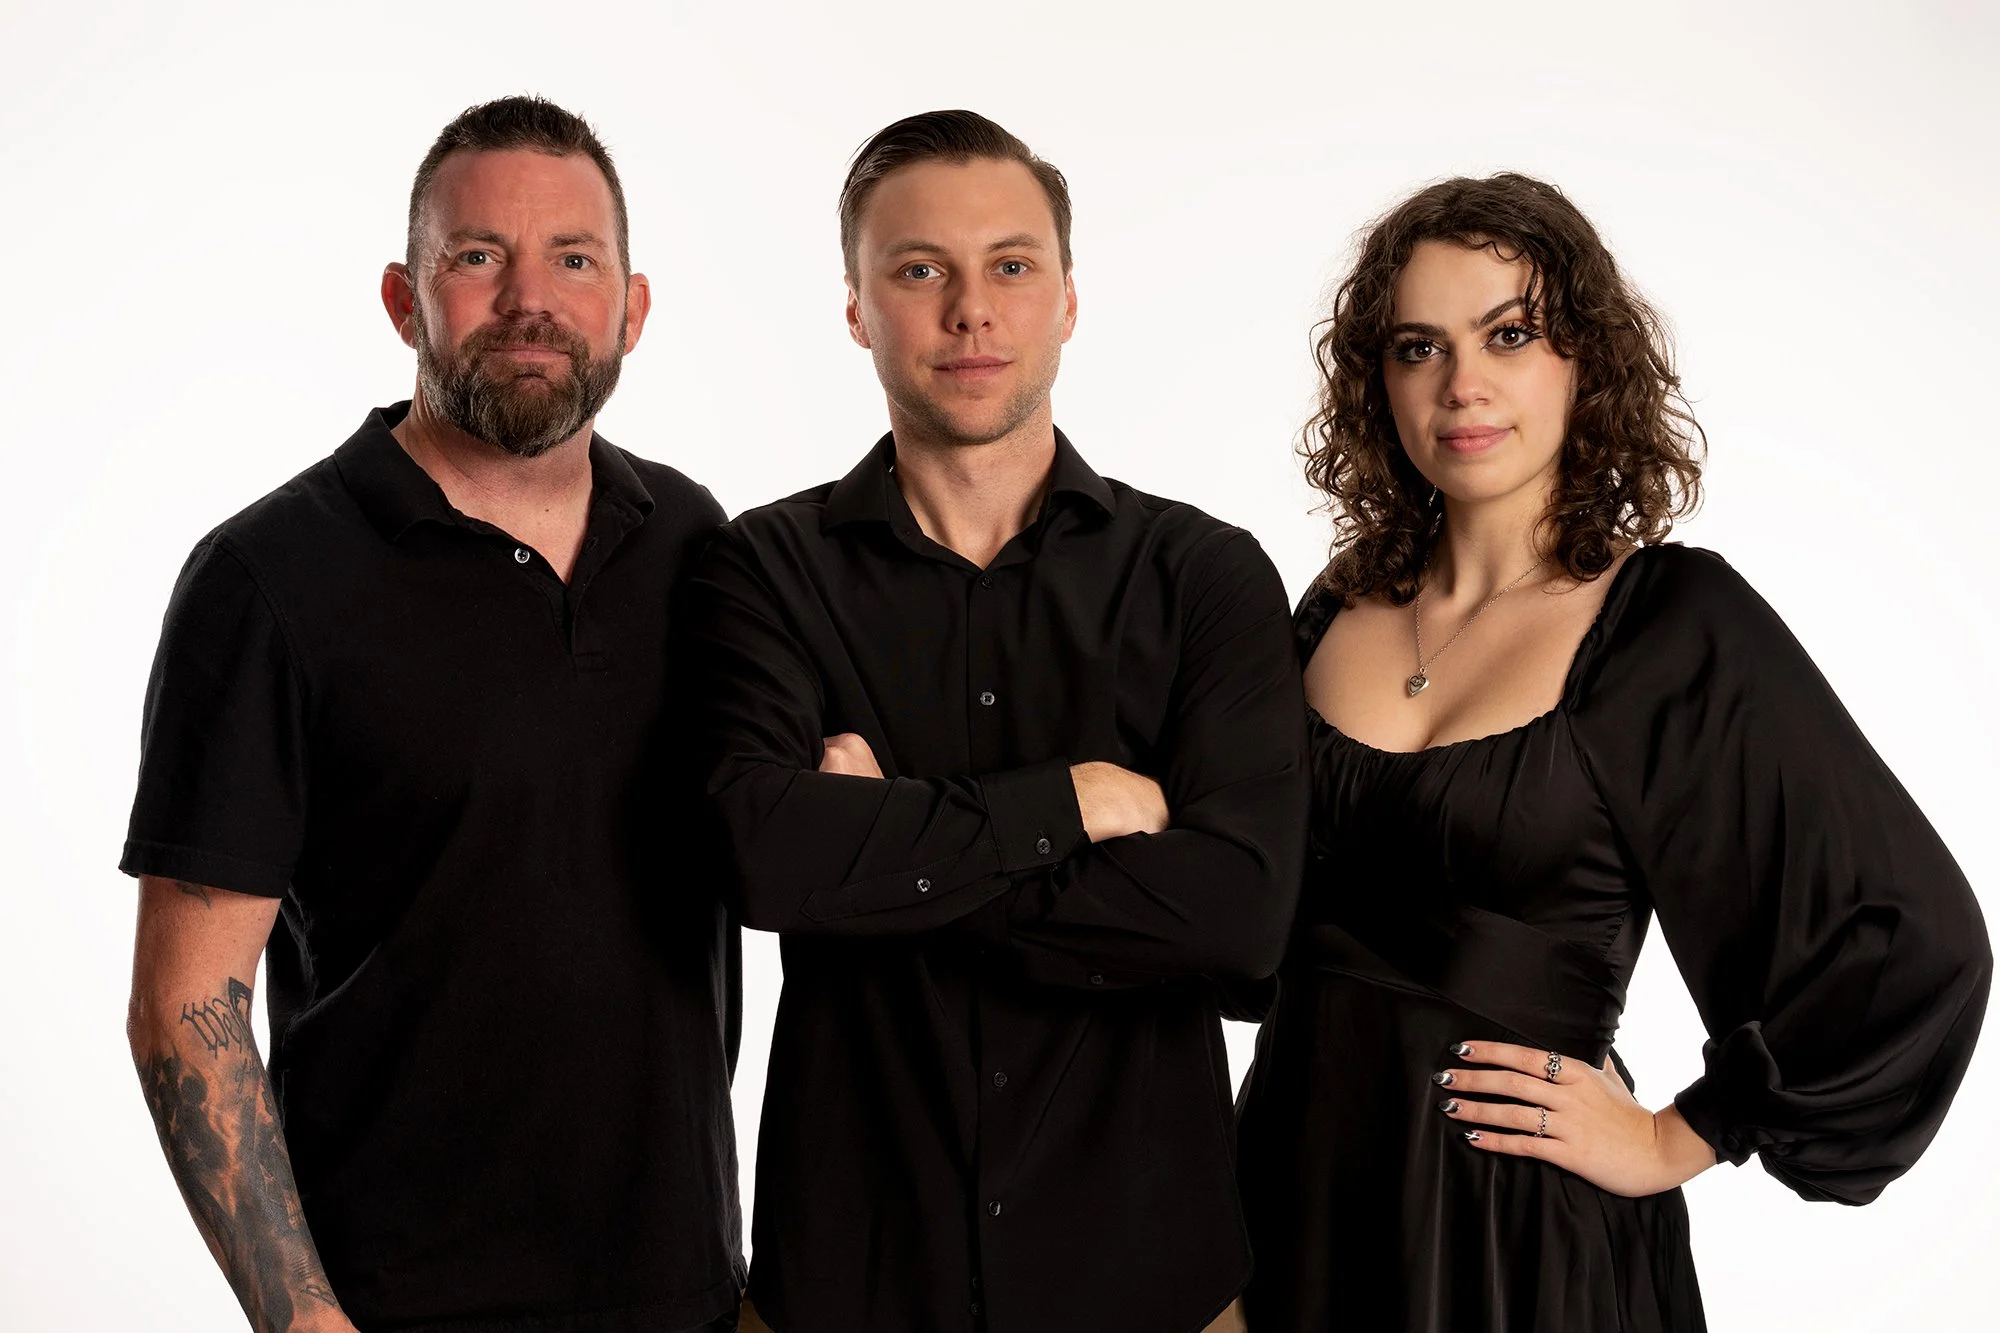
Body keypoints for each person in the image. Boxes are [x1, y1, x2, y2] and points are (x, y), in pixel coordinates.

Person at [1232, 171, 1991, 1331]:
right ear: (1372, 380)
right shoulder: (1333, 605)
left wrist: (1677, 1135)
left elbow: (1908, 939)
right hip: (1286, 1203)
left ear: (1583, 357)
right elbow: (1230, 904)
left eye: (1510, 334)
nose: (1461, 385)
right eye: (1416, 346)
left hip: (1522, 1239)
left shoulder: (1666, 621)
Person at [121, 96, 743, 1333]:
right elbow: (185, 1007)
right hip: (400, 1302)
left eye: (574, 259)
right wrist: (304, 1324)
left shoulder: (691, 539)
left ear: (632, 308)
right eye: (476, 257)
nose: (530, 299)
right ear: (406, 300)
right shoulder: (269, 578)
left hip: (684, 1298)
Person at [687, 110, 1308, 1333]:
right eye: (919, 270)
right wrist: (1068, 806)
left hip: (1154, 1291)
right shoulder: (760, 567)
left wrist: (884, 854)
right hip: (847, 1287)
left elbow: (1240, 919)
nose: (970, 309)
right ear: (858, 307)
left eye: (1010, 267)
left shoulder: (1203, 575)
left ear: (1067, 300)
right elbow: (763, 855)